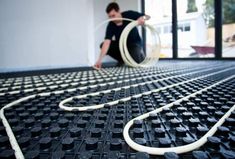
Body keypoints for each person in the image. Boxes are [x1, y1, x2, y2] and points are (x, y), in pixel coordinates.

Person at [94, 2, 150, 69]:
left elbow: (148, 16)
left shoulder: (129, 14)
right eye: (110, 17)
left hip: (134, 44)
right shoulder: (111, 24)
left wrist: (142, 18)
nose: (112, 19)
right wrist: (99, 60)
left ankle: (139, 55)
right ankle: (122, 59)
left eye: (113, 15)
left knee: (136, 62)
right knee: (102, 45)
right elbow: (107, 42)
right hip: (121, 46)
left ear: (119, 11)